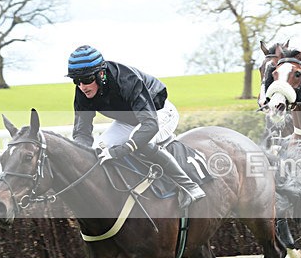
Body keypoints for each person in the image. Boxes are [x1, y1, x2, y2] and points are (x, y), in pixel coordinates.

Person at [67, 45, 206, 208]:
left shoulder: (126, 80)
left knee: (142, 141)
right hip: (128, 121)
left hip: (159, 113)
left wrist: (120, 150)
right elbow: (81, 133)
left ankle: (189, 186)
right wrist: (82, 158)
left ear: (101, 74)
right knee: (97, 148)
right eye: (77, 81)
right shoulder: (82, 92)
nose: (83, 87)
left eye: (87, 79)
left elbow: (150, 125)